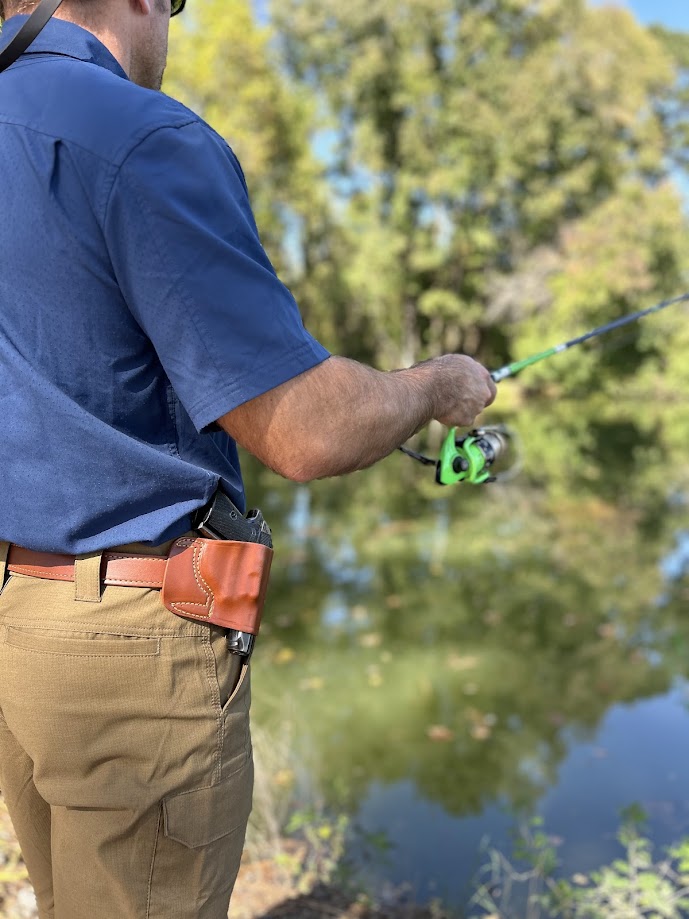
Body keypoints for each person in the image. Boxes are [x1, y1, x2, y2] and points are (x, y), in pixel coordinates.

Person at [0, 0, 497, 916]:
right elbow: (306, 430)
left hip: (14, 632)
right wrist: (435, 385)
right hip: (124, 657)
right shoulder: (137, 135)